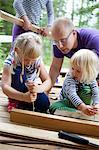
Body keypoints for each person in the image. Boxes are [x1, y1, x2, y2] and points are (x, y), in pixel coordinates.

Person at [1, 32, 51, 113]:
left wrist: (38, 89)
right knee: (17, 70)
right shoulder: (10, 62)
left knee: (45, 104)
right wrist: (23, 97)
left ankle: (25, 103)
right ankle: (16, 101)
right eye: (26, 59)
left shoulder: (37, 61)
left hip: (30, 90)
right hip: (16, 91)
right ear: (17, 50)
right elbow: (5, 87)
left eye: (33, 60)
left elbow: (48, 81)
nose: (30, 63)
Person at [49, 17, 99, 89]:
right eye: (56, 41)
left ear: (74, 33)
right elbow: (55, 68)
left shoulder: (94, 40)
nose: (60, 46)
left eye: (63, 40)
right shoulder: (58, 44)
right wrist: (46, 92)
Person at [49, 49, 99, 116]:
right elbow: (72, 94)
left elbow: (96, 92)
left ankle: (86, 111)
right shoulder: (70, 77)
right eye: (72, 68)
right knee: (53, 107)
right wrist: (82, 107)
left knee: (88, 90)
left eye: (78, 71)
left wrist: (96, 105)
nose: (74, 73)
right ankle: (78, 113)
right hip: (68, 101)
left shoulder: (91, 78)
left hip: (86, 103)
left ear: (89, 72)